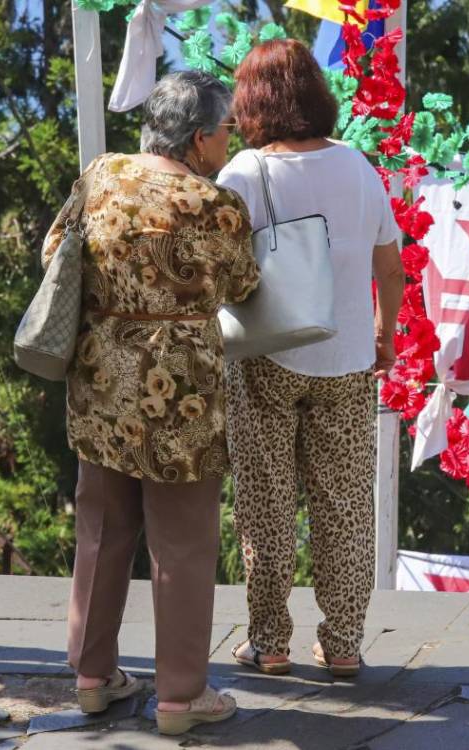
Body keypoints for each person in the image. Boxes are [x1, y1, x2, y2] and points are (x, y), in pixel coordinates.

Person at [44, 71, 259, 735]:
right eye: (227, 131)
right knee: (183, 542)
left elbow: (56, 248)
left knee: (102, 526)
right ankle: (180, 696)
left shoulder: (102, 173)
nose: (231, 142)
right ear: (199, 138)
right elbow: (245, 284)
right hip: (181, 394)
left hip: (102, 377)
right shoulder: (214, 204)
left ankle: (90, 675)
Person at [217, 39, 405, 678]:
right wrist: (385, 334)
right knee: (346, 506)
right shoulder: (358, 166)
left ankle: (268, 642)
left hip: (267, 354)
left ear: (253, 102)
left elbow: (220, 266)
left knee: (266, 502)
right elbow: (390, 263)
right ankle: (345, 643)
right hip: (349, 357)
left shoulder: (242, 173)